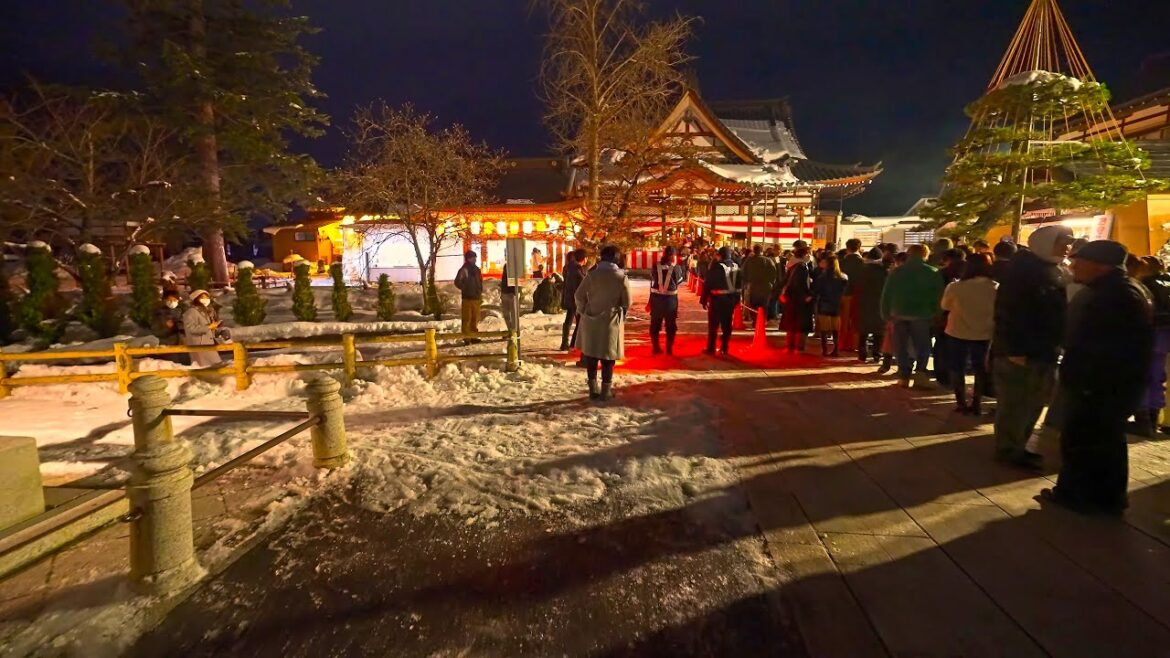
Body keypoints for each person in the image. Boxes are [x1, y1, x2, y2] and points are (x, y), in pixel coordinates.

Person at [1041, 241, 1153, 515]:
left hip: (1099, 385)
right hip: (1107, 383)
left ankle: (1081, 496)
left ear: (1099, 265)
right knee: (1104, 442)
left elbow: (1104, 346)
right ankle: (1104, 498)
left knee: (1087, 441)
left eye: (1080, 261)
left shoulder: (1114, 296)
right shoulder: (1123, 290)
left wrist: (1086, 380)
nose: (1073, 266)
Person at [992, 225, 1073, 469]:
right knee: (1017, 403)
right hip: (1022, 351)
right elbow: (1008, 313)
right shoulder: (1023, 271)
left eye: (1069, 242)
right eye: (1062, 242)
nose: (1067, 248)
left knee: (1034, 401)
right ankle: (1009, 448)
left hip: (1045, 349)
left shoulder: (1055, 269)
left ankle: (1019, 445)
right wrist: (1014, 349)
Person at [880, 243, 944, 388]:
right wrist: (937, 313)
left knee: (900, 347)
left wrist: (885, 313)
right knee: (922, 346)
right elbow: (939, 296)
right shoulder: (932, 272)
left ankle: (903, 376)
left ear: (909, 254)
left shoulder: (896, 272)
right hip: (922, 314)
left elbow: (886, 294)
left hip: (899, 313)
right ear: (925, 255)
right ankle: (920, 373)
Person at [940, 253, 997, 414]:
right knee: (980, 368)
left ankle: (961, 403)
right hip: (984, 332)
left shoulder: (955, 286)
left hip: (957, 330)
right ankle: (976, 402)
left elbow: (945, 306)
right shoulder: (995, 287)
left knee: (957, 367)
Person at [575, 245, 630, 401]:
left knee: (591, 356)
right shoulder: (621, 277)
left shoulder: (592, 275)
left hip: (591, 320)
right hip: (611, 321)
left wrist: (583, 310)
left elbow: (578, 295)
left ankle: (593, 390)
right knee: (608, 358)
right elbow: (627, 302)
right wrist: (621, 313)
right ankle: (606, 391)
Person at [1137, 256, 1170, 435]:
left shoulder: (1144, 285)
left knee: (1144, 376)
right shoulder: (1167, 282)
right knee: (1158, 376)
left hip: (1150, 333)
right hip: (1165, 334)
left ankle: (1144, 419)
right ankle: (1154, 415)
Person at [700, 246, 740, 356]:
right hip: (730, 300)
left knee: (713, 325)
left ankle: (711, 348)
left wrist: (703, 300)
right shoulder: (736, 266)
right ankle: (724, 347)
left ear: (720, 255)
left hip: (717, 300)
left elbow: (708, 284)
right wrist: (737, 300)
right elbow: (739, 285)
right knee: (727, 325)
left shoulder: (716, 266)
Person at [649, 246, 686, 355]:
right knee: (670, 325)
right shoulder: (676, 268)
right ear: (673, 256)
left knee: (655, 324)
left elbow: (653, 277)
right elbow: (679, 281)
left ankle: (656, 347)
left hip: (656, 299)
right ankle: (669, 349)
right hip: (670, 300)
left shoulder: (655, 265)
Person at [812, 253, 849, 356]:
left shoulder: (822, 277)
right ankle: (836, 349)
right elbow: (844, 291)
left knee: (824, 330)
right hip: (836, 305)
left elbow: (816, 290)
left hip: (824, 304)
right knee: (835, 330)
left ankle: (824, 350)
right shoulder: (843, 277)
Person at [856, 247, 888, 364]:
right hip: (879, 303)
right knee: (879, 331)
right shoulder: (884, 271)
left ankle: (862, 354)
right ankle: (876, 354)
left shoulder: (862, 270)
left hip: (864, 302)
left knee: (863, 331)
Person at [780, 246, 814, 353]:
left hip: (792, 299)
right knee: (801, 324)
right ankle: (798, 346)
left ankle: (790, 345)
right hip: (800, 300)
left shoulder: (792, 266)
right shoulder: (802, 267)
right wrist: (807, 295)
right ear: (805, 255)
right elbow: (801, 284)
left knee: (792, 323)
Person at [182, 290, 225, 368]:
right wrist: (209, 327)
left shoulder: (207, 311)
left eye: (207, 298)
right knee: (208, 366)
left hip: (207, 343)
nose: (205, 300)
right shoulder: (191, 312)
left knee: (214, 366)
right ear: (196, 299)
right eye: (202, 298)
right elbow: (191, 329)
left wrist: (215, 328)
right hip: (199, 344)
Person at [838, 238, 866, 353]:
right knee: (855, 320)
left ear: (847, 248)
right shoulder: (863, 263)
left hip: (843, 294)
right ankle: (854, 344)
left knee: (843, 321)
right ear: (859, 247)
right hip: (858, 294)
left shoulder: (841, 262)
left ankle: (842, 343)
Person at [453, 251, 484, 343]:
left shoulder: (477, 269)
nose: (475, 259)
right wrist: (465, 287)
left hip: (476, 297)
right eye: (473, 257)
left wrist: (479, 290)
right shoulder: (464, 269)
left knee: (475, 318)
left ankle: (473, 336)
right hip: (467, 298)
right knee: (467, 319)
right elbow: (457, 282)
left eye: (475, 257)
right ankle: (466, 337)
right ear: (468, 258)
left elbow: (480, 281)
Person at [560, 249, 587, 351]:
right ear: (584, 259)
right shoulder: (577, 270)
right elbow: (581, 286)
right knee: (580, 322)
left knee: (569, 320)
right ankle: (573, 344)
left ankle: (565, 343)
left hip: (569, 298)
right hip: (575, 300)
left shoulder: (569, 268)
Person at [742, 244, 778, 318]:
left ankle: (755, 320)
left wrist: (747, 283)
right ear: (761, 250)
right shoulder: (768, 260)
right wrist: (771, 283)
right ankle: (762, 320)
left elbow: (743, 273)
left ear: (754, 250)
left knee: (753, 305)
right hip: (765, 287)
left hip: (753, 286)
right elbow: (773, 273)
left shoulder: (748, 261)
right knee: (764, 305)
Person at [500, 263, 519, 335]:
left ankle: (513, 330)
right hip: (505, 293)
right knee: (507, 313)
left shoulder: (513, 266)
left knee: (513, 313)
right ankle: (511, 330)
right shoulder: (507, 265)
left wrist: (514, 292)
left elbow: (514, 281)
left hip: (510, 293)